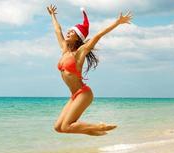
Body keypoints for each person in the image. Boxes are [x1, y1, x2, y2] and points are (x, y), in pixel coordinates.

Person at [47, 4, 133, 136]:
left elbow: (98, 36)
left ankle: (99, 126)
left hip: (83, 93)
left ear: (78, 37)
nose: (68, 33)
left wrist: (117, 22)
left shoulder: (80, 53)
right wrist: (52, 15)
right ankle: (96, 132)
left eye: (72, 32)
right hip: (74, 95)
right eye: (68, 31)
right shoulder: (64, 50)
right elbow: (58, 30)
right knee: (58, 127)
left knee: (67, 126)